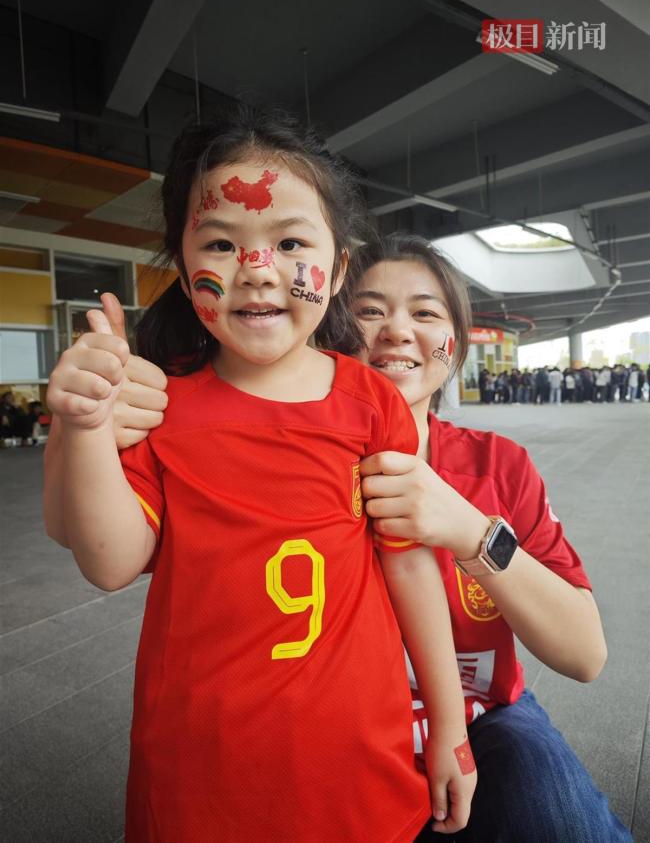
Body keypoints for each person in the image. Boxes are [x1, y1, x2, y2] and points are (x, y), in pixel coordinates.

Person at [94, 232, 631, 842]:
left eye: (426, 313)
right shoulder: (265, 458)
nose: (397, 331)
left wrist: (470, 531)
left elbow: (585, 655)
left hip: (482, 719)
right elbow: (112, 552)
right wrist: (90, 430)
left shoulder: (497, 467)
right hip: (324, 730)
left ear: (455, 345)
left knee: (557, 819)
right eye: (369, 311)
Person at [43, 108, 474, 842]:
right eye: (220, 241)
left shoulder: (371, 401)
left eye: (290, 241)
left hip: (356, 769)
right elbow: (112, 562)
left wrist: (449, 726)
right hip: (199, 779)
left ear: (339, 267)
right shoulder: (162, 408)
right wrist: (84, 426)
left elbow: (410, 570)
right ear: (184, 268)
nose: (257, 267)